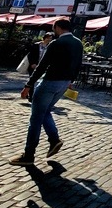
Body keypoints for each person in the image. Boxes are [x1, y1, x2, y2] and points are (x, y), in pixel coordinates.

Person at [9, 19, 83, 166]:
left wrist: (28, 84)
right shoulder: (78, 43)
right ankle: (54, 139)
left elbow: (42, 66)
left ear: (58, 27)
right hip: (64, 83)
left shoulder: (56, 43)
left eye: (54, 28)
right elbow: (78, 65)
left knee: (36, 118)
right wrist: (70, 80)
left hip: (50, 81)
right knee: (45, 111)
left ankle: (29, 154)